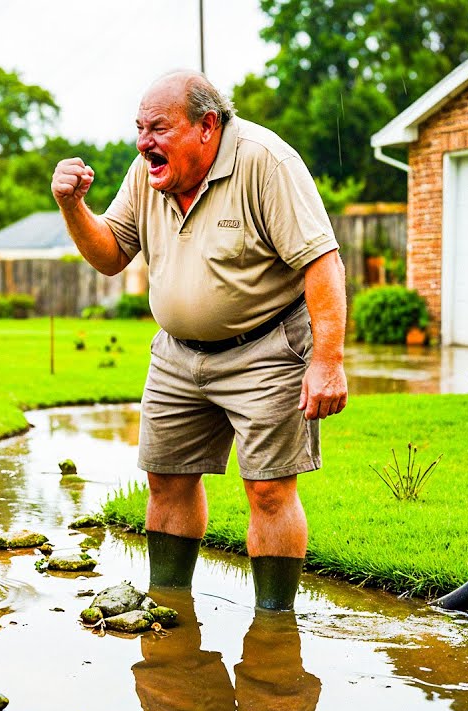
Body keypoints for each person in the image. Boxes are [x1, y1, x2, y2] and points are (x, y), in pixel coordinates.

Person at [52, 70, 347, 611]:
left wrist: (327, 360)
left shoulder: (266, 162)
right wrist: (74, 209)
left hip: (265, 348)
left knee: (269, 489)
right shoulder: (148, 175)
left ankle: (274, 628)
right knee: (165, 481)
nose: (144, 143)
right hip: (176, 355)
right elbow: (111, 255)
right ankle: (168, 609)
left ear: (207, 126)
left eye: (158, 128)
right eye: (139, 129)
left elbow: (322, 263)